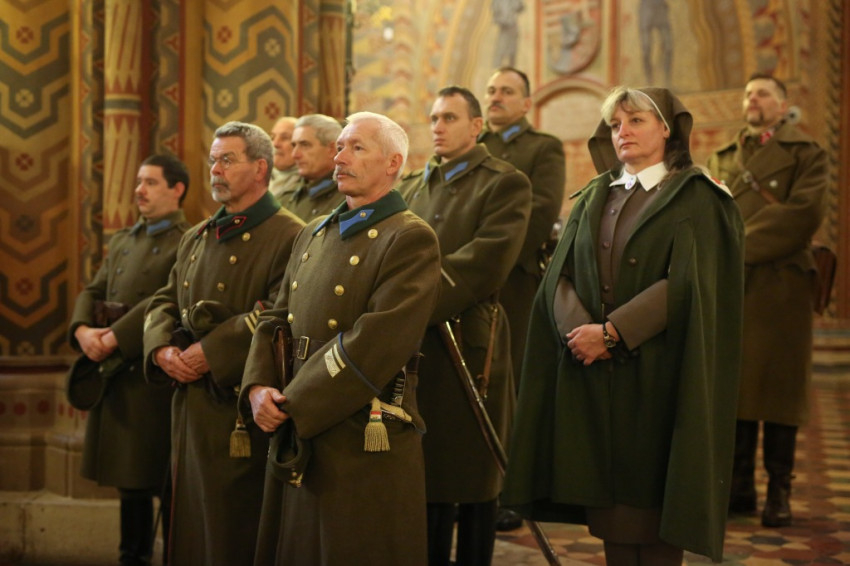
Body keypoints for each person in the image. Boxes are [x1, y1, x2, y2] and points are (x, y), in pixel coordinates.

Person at [502, 87, 744, 565]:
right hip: (595, 372)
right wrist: (582, 335)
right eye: (615, 125)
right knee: (610, 509)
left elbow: (692, 282)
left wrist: (613, 333)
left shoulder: (698, 196)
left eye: (635, 121)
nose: (622, 132)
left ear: (667, 129)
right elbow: (559, 275)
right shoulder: (596, 195)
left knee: (655, 503)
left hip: (662, 372)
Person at [239, 111, 441, 566]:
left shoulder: (410, 237)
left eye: (357, 148)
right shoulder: (314, 231)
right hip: (297, 416)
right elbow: (275, 318)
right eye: (340, 146)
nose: (340, 157)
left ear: (393, 163)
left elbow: (376, 342)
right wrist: (258, 386)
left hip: (355, 429)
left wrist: (293, 403)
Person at [143, 122, 304, 566]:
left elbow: (280, 312)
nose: (215, 169)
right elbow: (164, 299)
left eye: (227, 160)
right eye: (213, 160)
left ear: (261, 168)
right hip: (189, 404)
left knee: (231, 531)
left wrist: (210, 353)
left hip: (240, 408)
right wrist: (161, 349)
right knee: (189, 529)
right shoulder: (197, 235)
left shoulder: (291, 235)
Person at [400, 86, 531, 566]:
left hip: (471, 342)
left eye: (450, 118)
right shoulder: (412, 187)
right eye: (434, 118)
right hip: (414, 343)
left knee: (474, 474)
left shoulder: (504, 182)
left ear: (477, 126)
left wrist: (409, 299)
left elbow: (487, 260)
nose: (438, 127)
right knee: (428, 472)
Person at [707, 73, 828, 528]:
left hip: (781, 286)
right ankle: (739, 487)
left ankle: (780, 490)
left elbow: (803, 214)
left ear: (782, 104)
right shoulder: (722, 156)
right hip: (731, 285)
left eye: (762, 93)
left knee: (779, 391)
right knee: (734, 386)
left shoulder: (807, 153)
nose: (752, 99)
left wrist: (736, 245)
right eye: (747, 93)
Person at [68, 154, 191, 566]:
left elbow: (166, 300)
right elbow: (94, 289)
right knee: (129, 481)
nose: (139, 190)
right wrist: (83, 330)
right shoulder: (124, 239)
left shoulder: (187, 240)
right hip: (118, 375)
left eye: (150, 182)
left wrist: (115, 338)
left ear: (177, 189)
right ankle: (131, 558)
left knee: (165, 482)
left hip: (153, 377)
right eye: (138, 181)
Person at [480, 66, 566, 533]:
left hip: (513, 280)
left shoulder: (542, 147)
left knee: (508, 386)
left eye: (507, 91)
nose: (496, 97)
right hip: (471, 281)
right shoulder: (477, 147)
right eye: (491, 90)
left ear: (526, 103)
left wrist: (488, 263)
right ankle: (475, 485)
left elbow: (540, 210)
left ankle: (509, 490)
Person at [280, 114, 344, 221]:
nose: (295, 155)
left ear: (332, 149)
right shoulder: (286, 198)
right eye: (294, 145)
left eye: (305, 145)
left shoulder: (349, 199)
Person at [269, 116, 299, 203]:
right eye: (272, 137)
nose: (275, 144)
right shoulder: (258, 178)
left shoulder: (307, 183)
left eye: (285, 138)